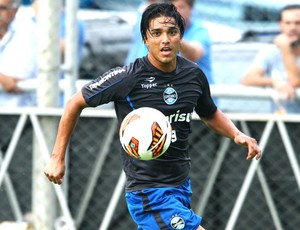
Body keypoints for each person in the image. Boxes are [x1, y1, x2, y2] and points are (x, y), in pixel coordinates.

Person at [44, 3, 261, 230]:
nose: (165, 39)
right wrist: (57, 157)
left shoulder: (193, 75)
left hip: (180, 184)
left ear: (180, 36)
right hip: (148, 190)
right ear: (145, 39)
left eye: (171, 32)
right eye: (156, 33)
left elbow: (210, 113)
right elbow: (74, 103)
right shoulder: (128, 77)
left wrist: (237, 134)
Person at [125, 0, 213, 84]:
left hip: (197, 94)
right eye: (173, 8)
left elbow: (194, 54)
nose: (176, 12)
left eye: (181, 7)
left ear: (191, 10)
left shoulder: (200, 32)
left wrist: (173, 37)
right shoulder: (147, 22)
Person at [241, 4, 300, 114]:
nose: (293, 27)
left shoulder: (283, 47)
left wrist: (286, 49)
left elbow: (296, 81)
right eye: (288, 23)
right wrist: (274, 82)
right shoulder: (270, 52)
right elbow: (248, 79)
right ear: (281, 25)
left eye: (298, 23)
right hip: (280, 122)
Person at [0, 0, 38, 107]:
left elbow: (17, 77)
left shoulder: (27, 31)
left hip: (19, 112)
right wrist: (2, 78)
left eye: (2, 8)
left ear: (15, 10)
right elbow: (6, 80)